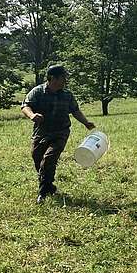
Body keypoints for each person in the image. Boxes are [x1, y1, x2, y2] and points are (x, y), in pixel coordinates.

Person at [21, 65, 95, 204]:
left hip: (60, 132)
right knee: (37, 158)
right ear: (53, 78)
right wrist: (32, 115)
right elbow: (25, 106)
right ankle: (49, 186)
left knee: (49, 159)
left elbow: (75, 111)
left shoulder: (67, 95)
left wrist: (85, 122)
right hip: (41, 132)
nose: (65, 80)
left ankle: (42, 193)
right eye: (63, 77)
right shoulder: (37, 92)